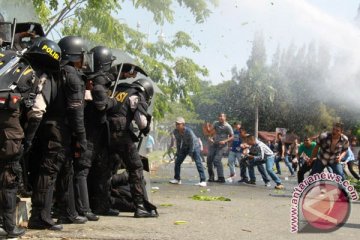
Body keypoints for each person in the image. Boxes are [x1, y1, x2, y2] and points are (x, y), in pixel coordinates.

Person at [0, 37, 60, 237]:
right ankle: (9, 227)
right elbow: (36, 112)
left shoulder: (7, 56)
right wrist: (28, 140)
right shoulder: (36, 75)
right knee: (9, 174)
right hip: (9, 126)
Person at [28, 36, 89, 230]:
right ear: (75, 55)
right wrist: (81, 138)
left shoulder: (53, 71)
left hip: (47, 126)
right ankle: (40, 216)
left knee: (63, 171)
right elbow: (76, 111)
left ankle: (65, 212)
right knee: (50, 171)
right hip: (60, 130)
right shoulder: (73, 76)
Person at [73, 46, 116, 221]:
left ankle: (101, 205)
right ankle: (84, 208)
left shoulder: (93, 80)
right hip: (90, 132)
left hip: (97, 132)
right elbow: (101, 105)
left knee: (101, 170)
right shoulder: (96, 81)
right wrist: (113, 101)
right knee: (83, 169)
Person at [106, 78, 158, 218]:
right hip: (122, 136)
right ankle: (140, 206)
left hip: (105, 135)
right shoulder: (135, 95)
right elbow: (141, 122)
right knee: (136, 168)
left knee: (105, 170)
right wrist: (147, 126)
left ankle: (102, 204)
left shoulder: (115, 90)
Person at [169, 117, 207, 187]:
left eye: (179, 124)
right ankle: (177, 179)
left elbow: (192, 142)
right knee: (177, 162)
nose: (177, 125)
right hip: (185, 146)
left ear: (183, 124)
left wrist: (191, 152)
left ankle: (203, 180)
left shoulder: (188, 131)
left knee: (198, 163)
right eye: (176, 124)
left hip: (195, 146)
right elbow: (178, 142)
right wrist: (178, 151)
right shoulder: (175, 131)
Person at [204, 113, 234, 183]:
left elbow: (232, 136)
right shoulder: (216, 123)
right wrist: (207, 127)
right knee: (209, 160)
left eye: (222, 116)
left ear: (225, 118)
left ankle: (221, 177)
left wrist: (224, 141)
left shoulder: (227, 126)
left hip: (222, 146)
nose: (220, 118)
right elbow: (209, 131)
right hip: (214, 144)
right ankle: (211, 177)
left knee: (217, 160)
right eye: (219, 116)